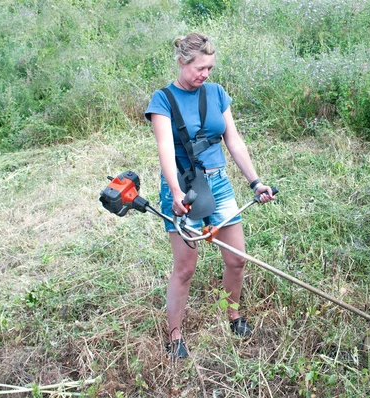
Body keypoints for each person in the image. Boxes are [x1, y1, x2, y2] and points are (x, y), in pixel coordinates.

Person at [145, 33, 275, 359]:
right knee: (185, 268)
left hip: (219, 184)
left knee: (236, 258)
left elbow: (234, 141)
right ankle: (175, 336)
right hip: (183, 187)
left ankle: (233, 316)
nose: (205, 74)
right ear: (182, 61)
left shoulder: (216, 93)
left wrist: (255, 182)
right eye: (200, 68)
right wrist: (175, 193)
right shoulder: (163, 100)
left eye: (210, 68)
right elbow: (164, 149)